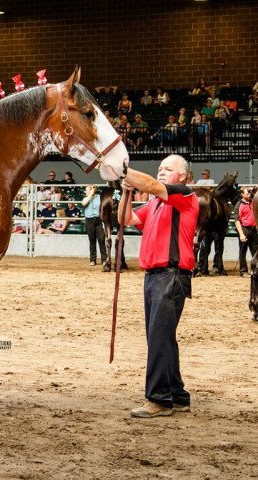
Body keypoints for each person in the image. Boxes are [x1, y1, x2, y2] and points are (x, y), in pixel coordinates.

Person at [118, 154, 199, 418]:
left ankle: (159, 399)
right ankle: (177, 395)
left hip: (171, 276)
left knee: (159, 338)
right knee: (163, 338)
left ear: (183, 177)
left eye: (168, 169)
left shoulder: (184, 195)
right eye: (160, 168)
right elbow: (125, 219)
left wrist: (122, 170)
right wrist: (126, 193)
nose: (162, 172)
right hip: (155, 276)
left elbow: (152, 185)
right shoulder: (154, 204)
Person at [234, 186, 258, 278]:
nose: (249, 194)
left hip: (253, 229)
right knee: (242, 251)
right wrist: (241, 234)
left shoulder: (254, 202)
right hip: (244, 229)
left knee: (255, 251)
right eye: (247, 193)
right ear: (242, 194)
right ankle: (243, 271)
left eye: (249, 192)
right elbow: (237, 220)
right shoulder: (239, 205)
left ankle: (255, 269)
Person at [81, 184, 106, 267]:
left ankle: (104, 259)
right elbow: (84, 204)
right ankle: (93, 260)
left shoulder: (100, 197)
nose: (85, 191)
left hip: (99, 220)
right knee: (92, 240)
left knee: (101, 239)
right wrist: (90, 195)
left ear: (92, 190)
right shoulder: (86, 198)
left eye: (87, 190)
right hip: (89, 220)